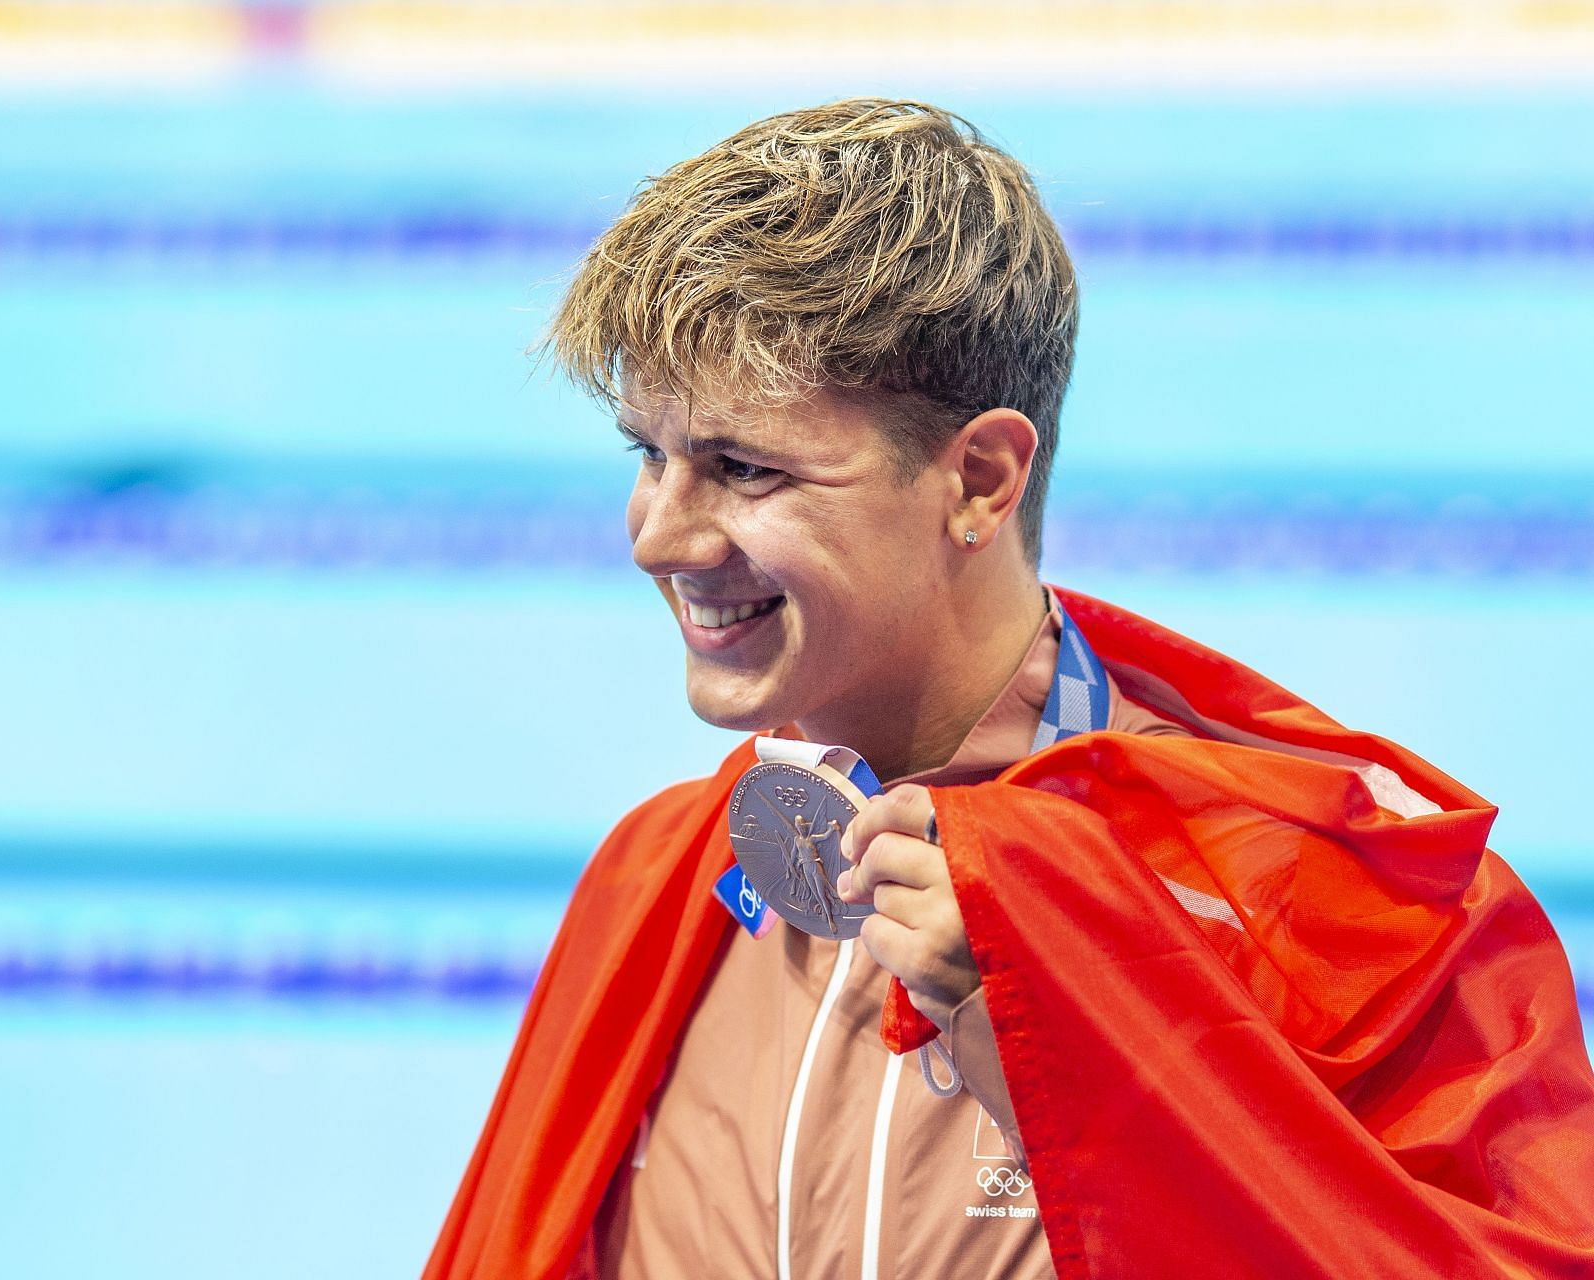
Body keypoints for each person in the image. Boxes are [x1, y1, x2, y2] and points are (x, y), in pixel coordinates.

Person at [425, 99, 1594, 1279]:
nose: (660, 537)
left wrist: (1065, 1029)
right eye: (651, 456)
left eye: (742, 467)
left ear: (979, 478)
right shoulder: (660, 889)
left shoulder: (1333, 903)